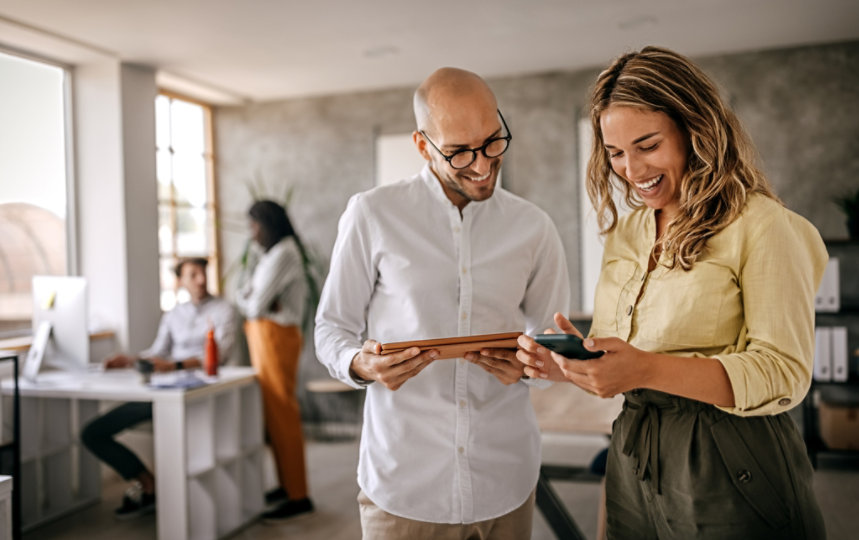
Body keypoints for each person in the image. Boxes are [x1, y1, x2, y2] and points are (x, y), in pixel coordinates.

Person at [517, 46, 828, 539]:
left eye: (647, 145)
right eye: (615, 153)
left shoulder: (763, 226)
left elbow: (783, 372)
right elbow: (621, 352)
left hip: (731, 457)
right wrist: (564, 366)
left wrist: (644, 368)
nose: (631, 170)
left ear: (694, 129)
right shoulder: (627, 233)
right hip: (634, 454)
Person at [315, 67, 570, 539]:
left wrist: (538, 364)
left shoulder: (534, 227)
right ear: (422, 146)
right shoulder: (372, 214)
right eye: (458, 152)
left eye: (493, 141)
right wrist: (361, 364)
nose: (482, 164)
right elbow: (331, 328)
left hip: (506, 478)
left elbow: (551, 341)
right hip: (406, 485)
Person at [81, 257, 236, 519]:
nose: (200, 279)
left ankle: (176, 503)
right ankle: (147, 482)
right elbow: (156, 352)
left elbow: (218, 357)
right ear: (180, 281)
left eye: (203, 273)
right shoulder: (173, 315)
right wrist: (130, 360)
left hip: (199, 394)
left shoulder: (224, 310)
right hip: (164, 392)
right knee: (93, 433)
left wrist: (173, 365)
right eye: (193, 274)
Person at [235, 199, 313, 521]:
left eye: (255, 226)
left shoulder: (283, 253)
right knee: (274, 415)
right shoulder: (271, 255)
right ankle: (286, 486)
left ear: (268, 224)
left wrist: (250, 297)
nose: (252, 234)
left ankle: (298, 495)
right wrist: (252, 297)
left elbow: (251, 305)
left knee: (282, 413)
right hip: (266, 336)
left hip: (275, 338)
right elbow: (250, 297)